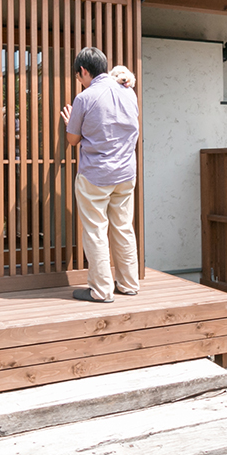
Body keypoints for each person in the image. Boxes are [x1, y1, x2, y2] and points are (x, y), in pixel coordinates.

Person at [61, 46, 140, 303]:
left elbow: (73, 140)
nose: (79, 81)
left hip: (96, 174)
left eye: (78, 76)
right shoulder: (129, 93)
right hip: (126, 173)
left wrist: (70, 121)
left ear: (83, 71)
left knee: (95, 230)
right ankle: (128, 284)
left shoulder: (85, 97)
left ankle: (101, 290)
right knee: (123, 227)